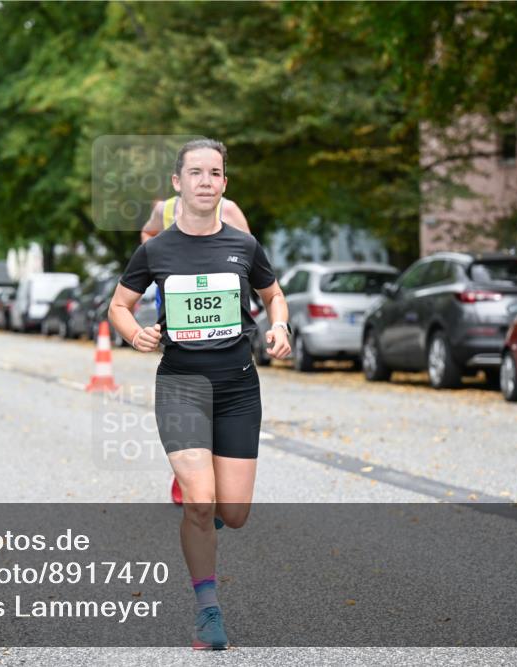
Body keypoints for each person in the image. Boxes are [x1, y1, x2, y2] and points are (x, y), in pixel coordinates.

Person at [109, 139, 292, 650]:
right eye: (195, 172)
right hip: (180, 385)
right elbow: (119, 305)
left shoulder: (244, 246)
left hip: (237, 384)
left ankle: (206, 514)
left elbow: (273, 295)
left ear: (224, 184)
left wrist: (280, 328)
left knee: (232, 512)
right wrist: (134, 332)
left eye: (215, 173)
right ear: (178, 183)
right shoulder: (155, 249)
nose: (205, 181)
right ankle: (208, 610)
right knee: (199, 501)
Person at [142, 190, 252, 507]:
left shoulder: (229, 211)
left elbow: (249, 254)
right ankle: (191, 471)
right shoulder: (163, 211)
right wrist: (160, 262)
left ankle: (209, 470)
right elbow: (148, 234)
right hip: (180, 311)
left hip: (222, 314)